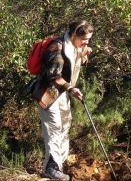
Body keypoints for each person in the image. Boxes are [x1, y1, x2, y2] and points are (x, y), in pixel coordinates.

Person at [35, 21, 93, 180]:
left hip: (63, 94)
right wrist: (71, 88)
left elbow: (73, 66)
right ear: (74, 34)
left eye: (88, 39)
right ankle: (50, 168)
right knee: (54, 128)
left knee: (65, 127)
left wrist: (83, 55)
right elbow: (52, 75)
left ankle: (59, 165)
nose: (86, 42)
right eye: (84, 39)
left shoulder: (75, 46)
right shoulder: (57, 47)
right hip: (48, 94)